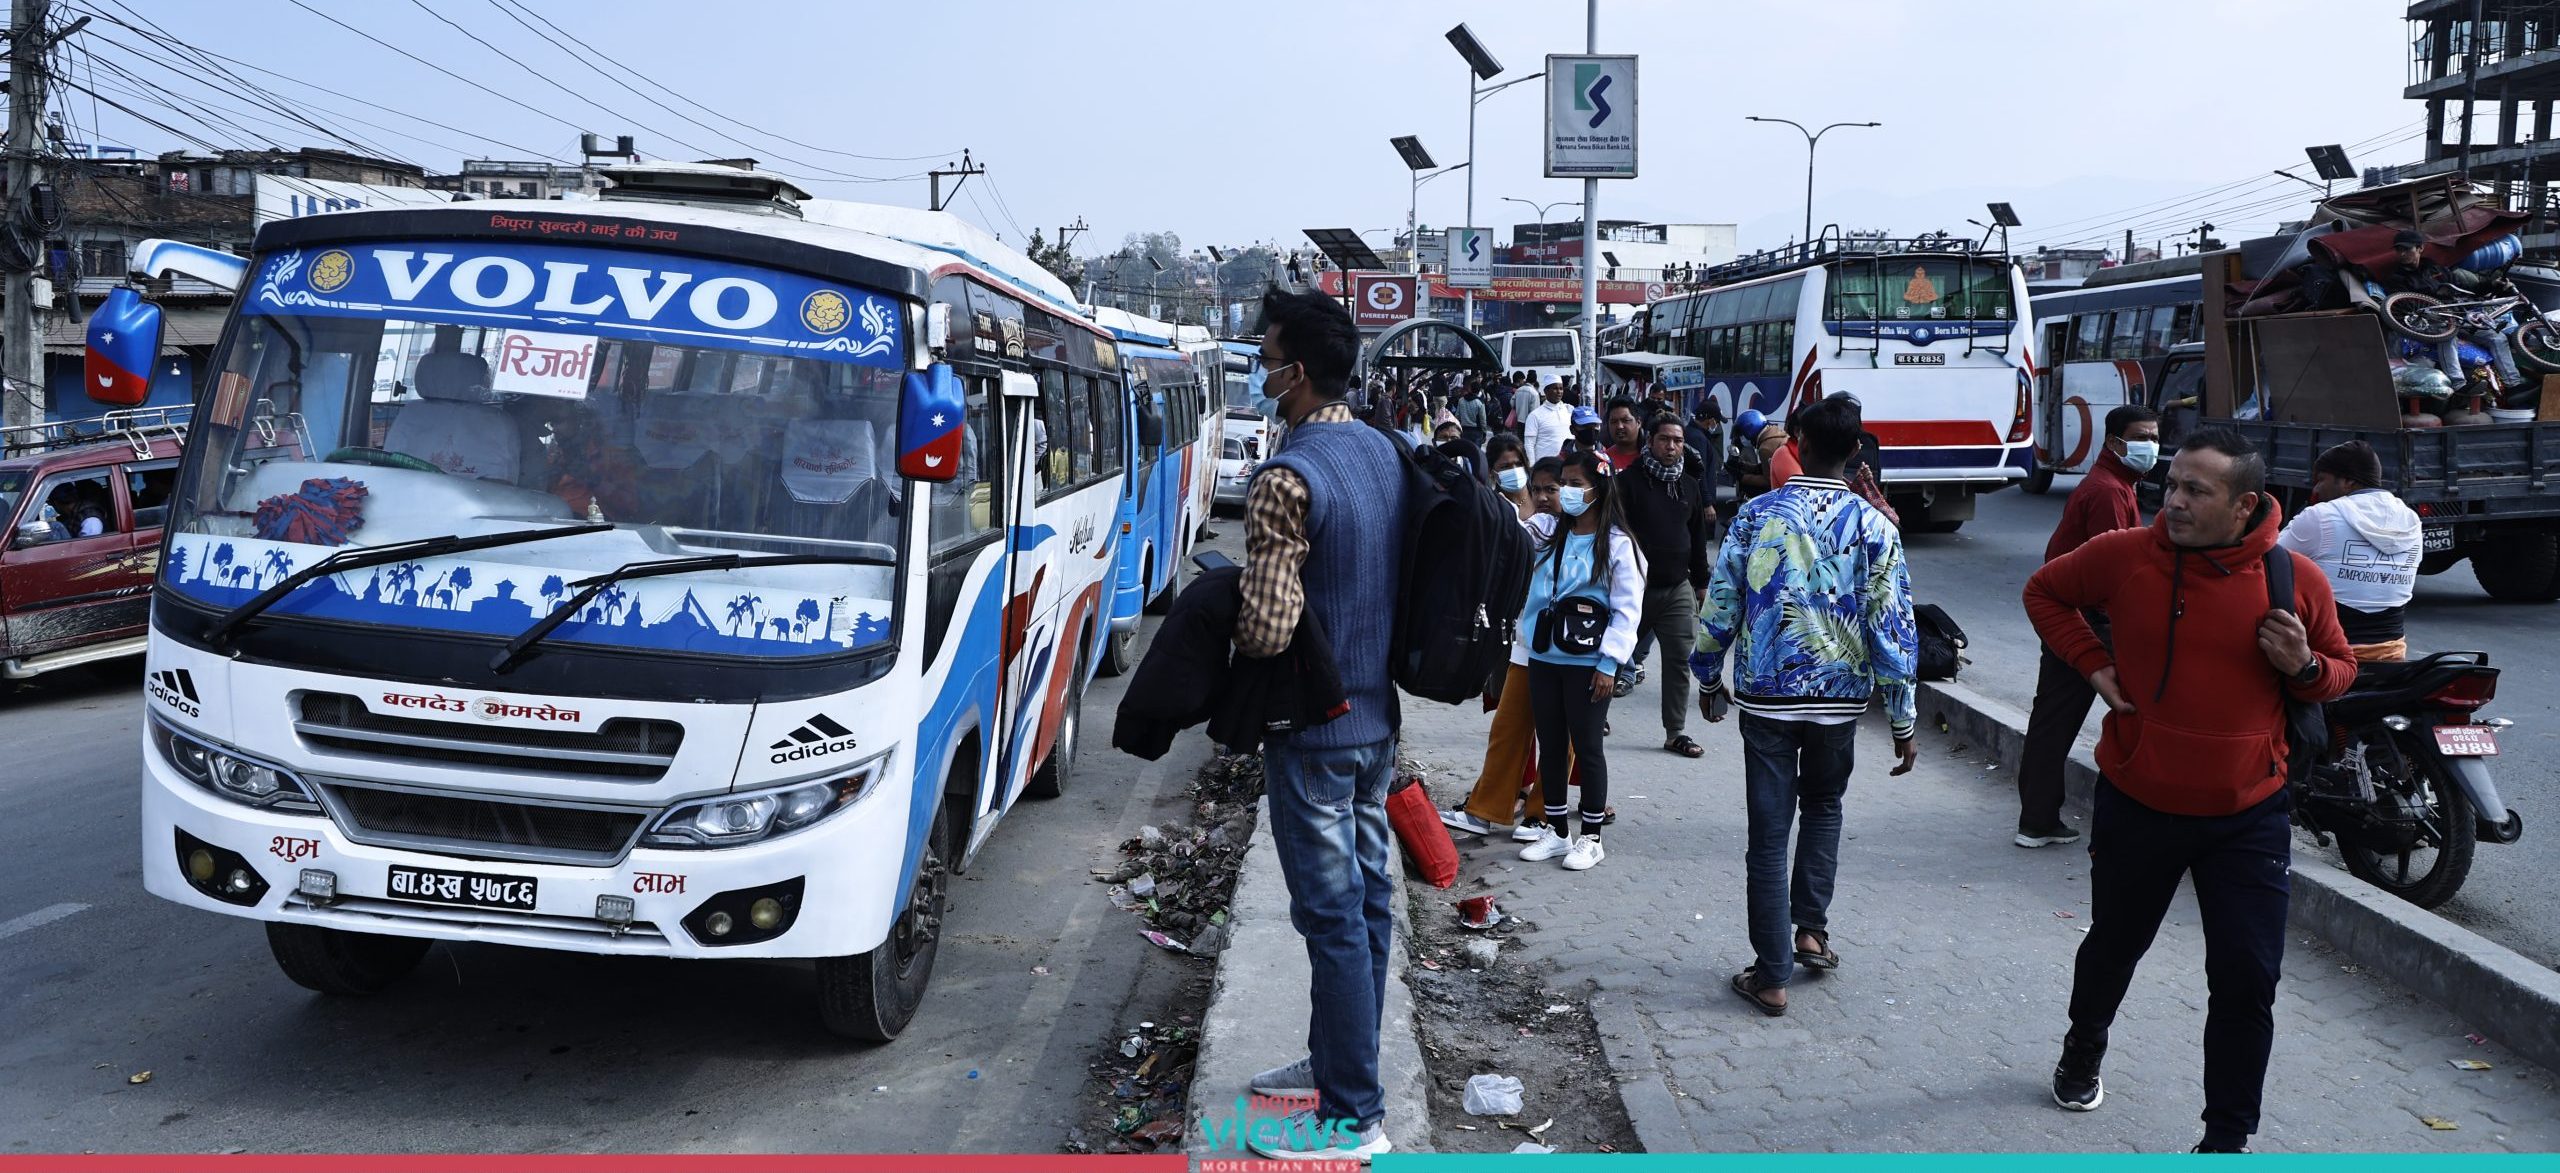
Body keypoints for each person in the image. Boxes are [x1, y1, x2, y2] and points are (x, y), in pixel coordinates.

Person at [2024, 427, 2355, 1154]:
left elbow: (2341, 670)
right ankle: (2085, 1044)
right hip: (2139, 801)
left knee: (2246, 980)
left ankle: (2226, 1138)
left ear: (2244, 506)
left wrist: (2303, 665)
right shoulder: (2125, 557)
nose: (2171, 499)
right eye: (2170, 483)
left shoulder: (2293, 577)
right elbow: (2045, 589)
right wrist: (2092, 663)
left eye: (2194, 490)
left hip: (2248, 816)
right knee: (2114, 946)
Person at [1236, 287, 1406, 1161]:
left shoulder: (1285, 478)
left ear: (1294, 373)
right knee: (1368, 907)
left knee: (1333, 915)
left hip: (1313, 739)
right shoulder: (1385, 453)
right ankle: (1338, 1057)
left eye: (1265, 357)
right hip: (1378, 727)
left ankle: (1351, 1114)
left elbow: (1268, 625)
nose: (1260, 368)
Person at [1691, 392, 1920, 1017]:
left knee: (1768, 837)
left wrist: (1708, 678)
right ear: (1855, 453)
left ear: (1797, 445)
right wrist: (1902, 720)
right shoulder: (1876, 528)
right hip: (1839, 706)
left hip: (1766, 702)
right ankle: (1811, 932)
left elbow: (1719, 608)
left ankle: (1771, 976)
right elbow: (1893, 627)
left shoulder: (1755, 516)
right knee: (1824, 810)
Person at [2017, 404, 2159, 848]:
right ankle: (2040, 819)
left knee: (2054, 717)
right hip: (2085, 618)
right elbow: (2112, 569)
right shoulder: (2108, 492)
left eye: (2156, 437)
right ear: (2116, 442)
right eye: (2143, 437)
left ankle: (2039, 817)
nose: (2151, 446)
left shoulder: (2115, 485)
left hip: (2077, 613)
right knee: (2130, 709)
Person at [1511, 449, 1646, 872]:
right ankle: (1555, 830)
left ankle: (1591, 837)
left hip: (1588, 663)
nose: (1565, 492)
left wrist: (1610, 664)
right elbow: (1509, 533)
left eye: (1573, 484)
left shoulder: (1619, 545)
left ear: (1597, 488)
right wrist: (1516, 494)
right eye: (1561, 483)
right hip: (1544, 654)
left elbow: (1628, 610)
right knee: (1550, 744)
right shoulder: (1548, 531)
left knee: (1587, 747)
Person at [1444, 451, 1574, 839]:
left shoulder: (1602, 536)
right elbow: (1507, 534)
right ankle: (1485, 810)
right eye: (1538, 490)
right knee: (1507, 727)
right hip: (1528, 646)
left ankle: (1543, 815)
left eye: (1554, 488)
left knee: (1559, 736)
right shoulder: (1536, 528)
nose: (1546, 496)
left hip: (1575, 653)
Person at [1616, 411, 1715, 758]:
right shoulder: (1627, 483)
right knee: (1611, 656)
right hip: (1632, 589)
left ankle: (1675, 733)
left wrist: (1702, 582)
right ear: (1650, 441)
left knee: (1678, 660)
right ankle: (1590, 718)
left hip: (1677, 589)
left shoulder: (1688, 485)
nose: (1672, 446)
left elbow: (1698, 537)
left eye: (1677, 441)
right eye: (1664, 439)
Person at [2278, 439, 2421, 662]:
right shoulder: (2411, 518)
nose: (2315, 488)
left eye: (2321, 480)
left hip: (2328, 655)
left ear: (2348, 482)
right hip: (2390, 654)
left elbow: (2268, 560)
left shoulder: (2322, 516)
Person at [1522, 382, 1575, 462]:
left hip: (1567, 465)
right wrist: (1532, 467)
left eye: (1561, 389)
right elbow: (1529, 444)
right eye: (1555, 388)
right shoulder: (1535, 415)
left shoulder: (1569, 410)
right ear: (1545, 391)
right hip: (1545, 466)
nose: (1559, 392)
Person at [1600, 398, 1644, 472]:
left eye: (1625, 420)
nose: (1619, 426)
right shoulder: (1603, 461)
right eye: (1614, 422)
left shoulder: (1651, 458)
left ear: (1638, 423)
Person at [1452, 379, 1490, 450]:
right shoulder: (1479, 403)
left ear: (1471, 389)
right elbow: (1483, 420)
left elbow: (1457, 416)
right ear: (1479, 391)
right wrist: (1484, 432)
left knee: (1465, 453)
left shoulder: (1461, 400)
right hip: (1476, 432)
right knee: (1476, 453)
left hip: (1464, 430)